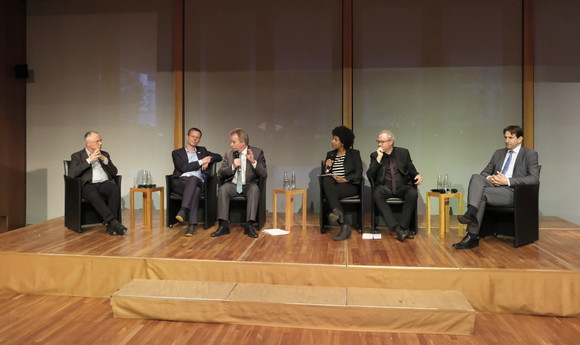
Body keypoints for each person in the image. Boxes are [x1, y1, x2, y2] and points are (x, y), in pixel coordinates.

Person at [453, 125, 540, 249]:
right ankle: (471, 213)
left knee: (482, 194)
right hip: (495, 185)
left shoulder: (530, 154)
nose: (506, 140)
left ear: (520, 139)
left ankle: (472, 235)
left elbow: (534, 178)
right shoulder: (498, 153)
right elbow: (484, 173)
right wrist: (491, 178)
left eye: (510, 137)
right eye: (505, 137)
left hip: (513, 191)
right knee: (476, 177)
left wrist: (507, 181)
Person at [366, 130, 423, 242]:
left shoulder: (403, 153)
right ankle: (398, 229)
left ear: (390, 142)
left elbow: (410, 168)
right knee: (377, 193)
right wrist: (378, 159)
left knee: (412, 193)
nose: (379, 144)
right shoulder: (375, 155)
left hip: (401, 186)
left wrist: (417, 174)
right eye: (378, 142)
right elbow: (370, 175)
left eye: (382, 142)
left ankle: (403, 227)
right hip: (385, 187)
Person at [211, 128, 267, 238]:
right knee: (223, 189)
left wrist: (253, 162)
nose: (231, 145)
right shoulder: (229, 153)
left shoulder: (257, 153)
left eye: (234, 142)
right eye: (231, 142)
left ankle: (249, 225)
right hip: (233, 184)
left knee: (254, 189)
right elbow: (221, 173)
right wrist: (233, 166)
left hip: (249, 184)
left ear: (243, 142)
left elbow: (264, 174)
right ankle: (223, 225)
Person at [69, 131, 127, 236]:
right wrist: (88, 161)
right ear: (88, 144)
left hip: (103, 184)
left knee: (114, 189)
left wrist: (105, 160)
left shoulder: (105, 154)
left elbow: (114, 172)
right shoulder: (77, 156)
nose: (100, 143)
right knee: (92, 193)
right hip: (87, 186)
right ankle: (113, 222)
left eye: (100, 141)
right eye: (97, 141)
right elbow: (72, 174)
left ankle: (110, 226)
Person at [171, 128, 222, 237]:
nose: (195, 139)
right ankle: (192, 225)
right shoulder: (177, 153)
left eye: (197, 137)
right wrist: (201, 162)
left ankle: (183, 209)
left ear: (199, 140)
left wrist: (208, 159)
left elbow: (219, 157)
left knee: (194, 180)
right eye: (193, 136)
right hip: (181, 183)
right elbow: (183, 168)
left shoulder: (202, 151)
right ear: (187, 137)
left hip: (198, 181)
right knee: (196, 190)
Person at [320, 126, 362, 241]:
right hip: (334, 186)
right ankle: (344, 225)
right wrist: (327, 168)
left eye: (335, 139)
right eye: (333, 139)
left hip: (350, 185)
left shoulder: (354, 154)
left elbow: (358, 173)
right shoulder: (330, 154)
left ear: (342, 142)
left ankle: (342, 222)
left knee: (330, 195)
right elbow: (327, 173)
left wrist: (346, 179)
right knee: (327, 179)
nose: (332, 141)